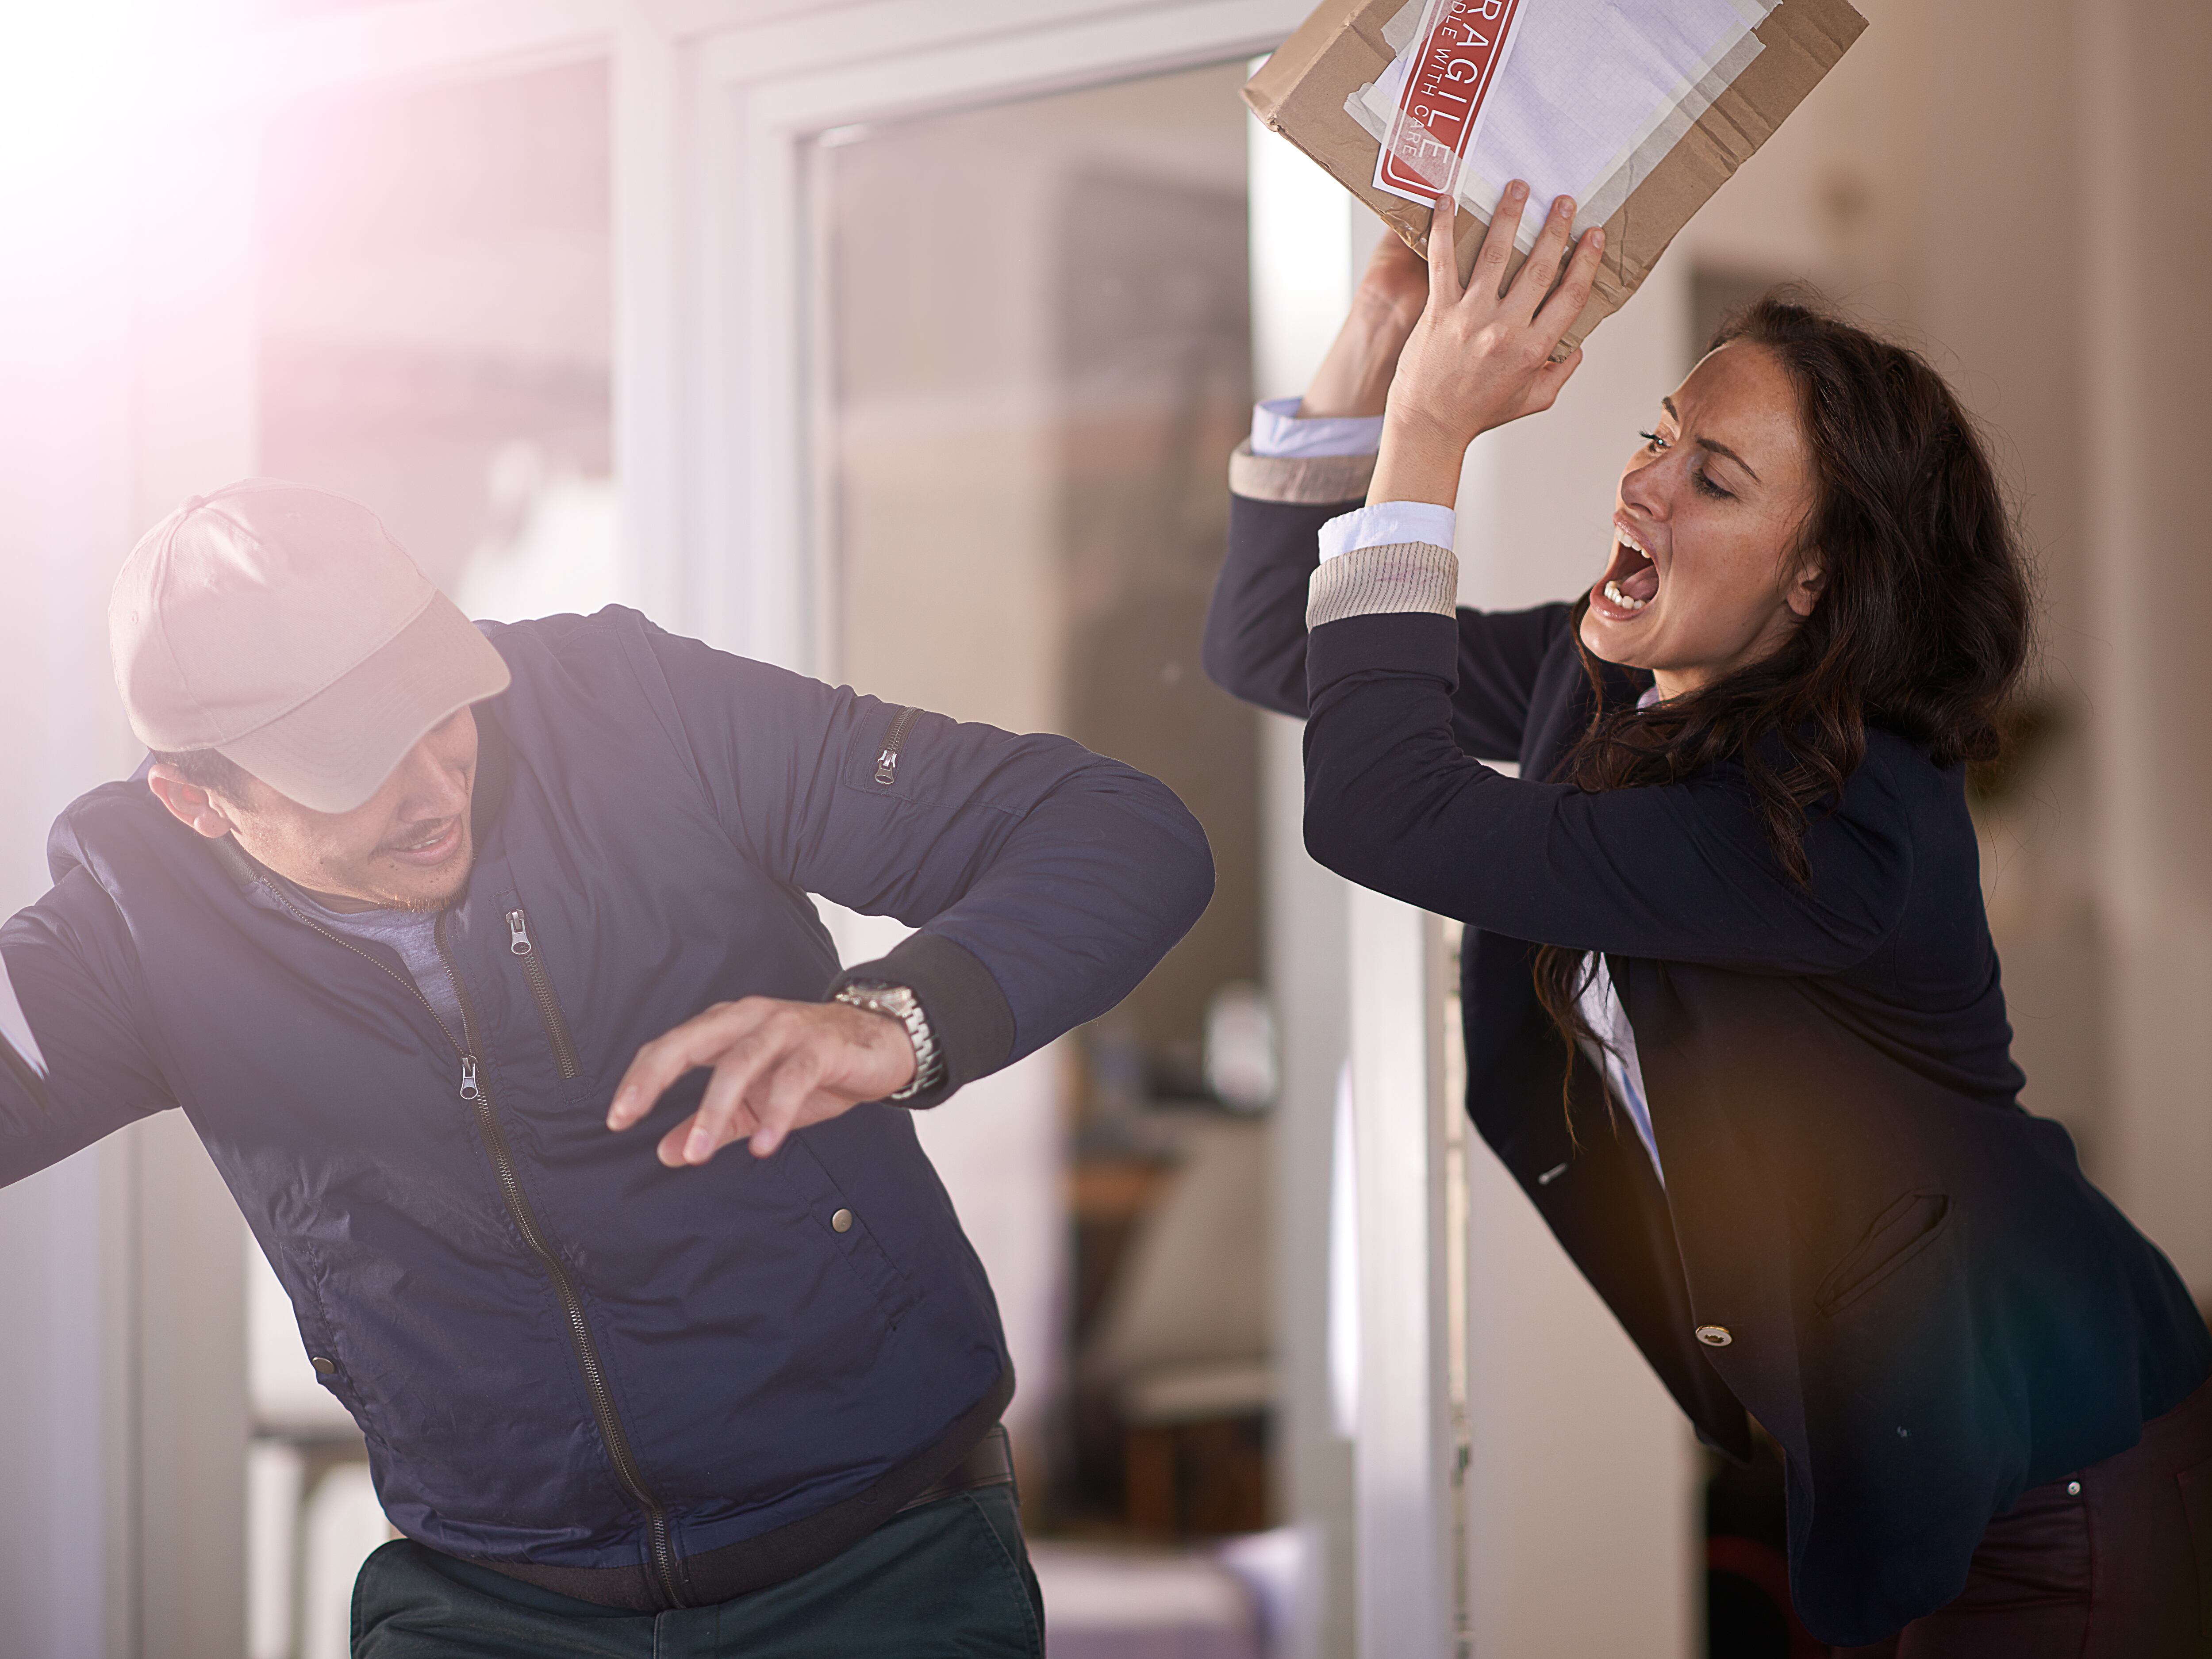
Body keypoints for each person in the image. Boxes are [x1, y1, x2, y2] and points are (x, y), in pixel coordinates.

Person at [1205, 184, 2212, 1655]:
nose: (1645, 485)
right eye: (1658, 436)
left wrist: (1431, 433)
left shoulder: (1842, 823)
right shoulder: (1613, 679)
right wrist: (1377, 338)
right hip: (1922, 1430)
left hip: (2062, 1466)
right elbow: (1271, 643)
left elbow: (1380, 810)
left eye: (1715, 480)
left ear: (1816, 580)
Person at [0, 481, 1215, 1656]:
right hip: (485, 1599)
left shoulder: (636, 709)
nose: (434, 786)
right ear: (196, 801)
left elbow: (1114, 830)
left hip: (876, 1562)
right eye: (355, 762)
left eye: (436, 709)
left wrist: (897, 1019)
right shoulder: (135, 923)